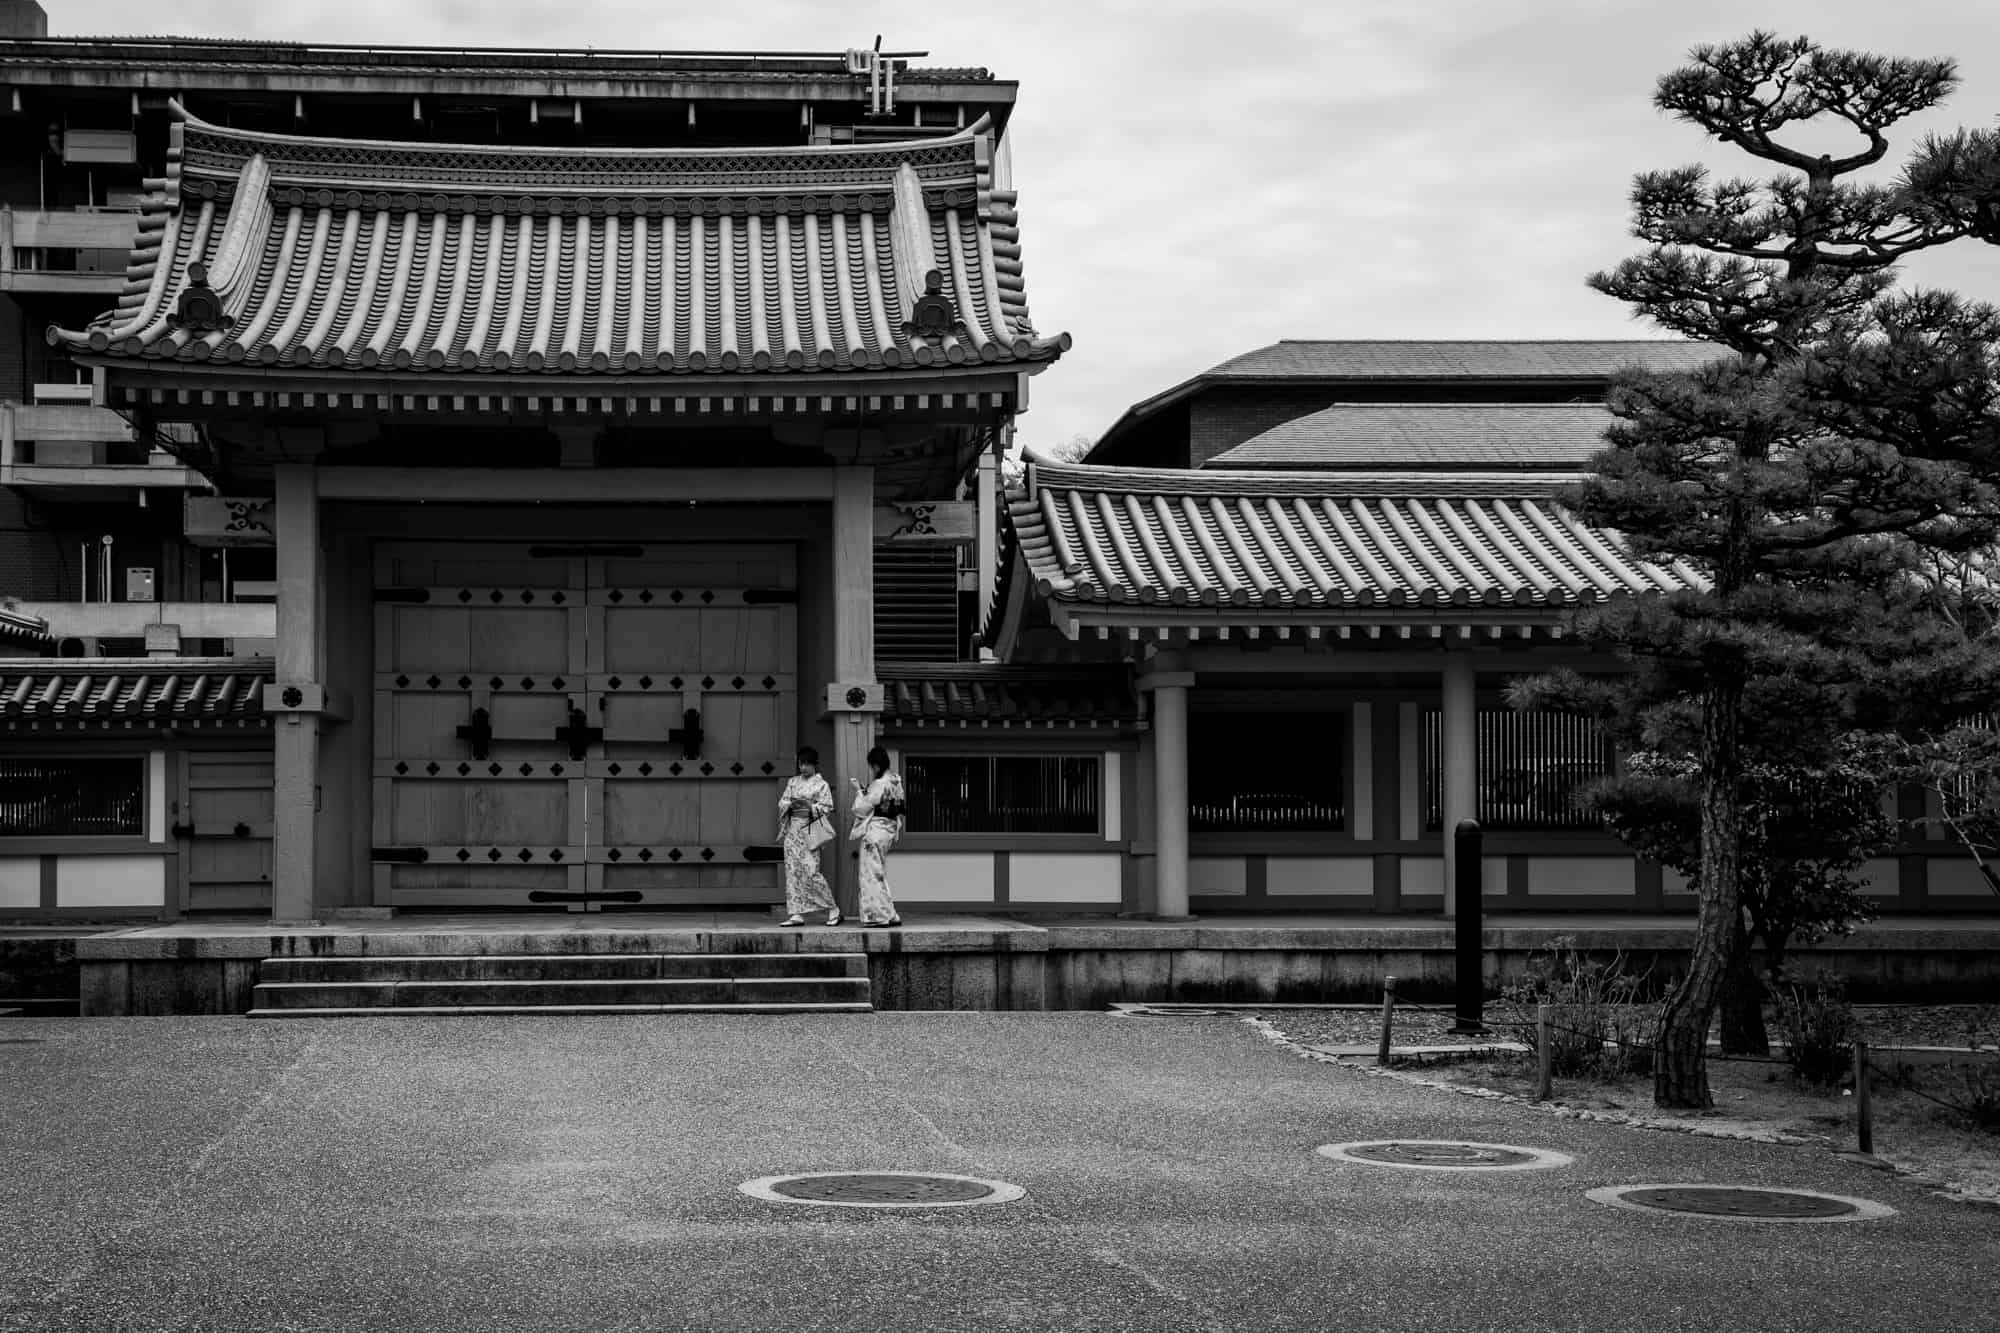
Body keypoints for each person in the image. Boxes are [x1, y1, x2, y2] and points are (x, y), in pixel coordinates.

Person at [776, 747, 839, 927]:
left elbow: (826, 806)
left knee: (811, 872)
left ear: (814, 765)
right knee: (792, 872)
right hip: (793, 831)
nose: (803, 768)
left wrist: (810, 806)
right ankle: (796, 913)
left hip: (809, 830)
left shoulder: (821, 784)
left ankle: (833, 908)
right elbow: (782, 802)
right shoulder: (793, 782)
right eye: (801, 764)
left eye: (807, 764)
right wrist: (790, 804)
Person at [849, 746, 905, 928]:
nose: (872, 770)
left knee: (870, 874)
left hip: (875, 832)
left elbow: (862, 807)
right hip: (888, 830)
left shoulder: (880, 784)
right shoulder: (896, 782)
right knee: (878, 872)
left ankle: (877, 916)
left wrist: (859, 790)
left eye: (872, 766)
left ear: (876, 765)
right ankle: (890, 913)